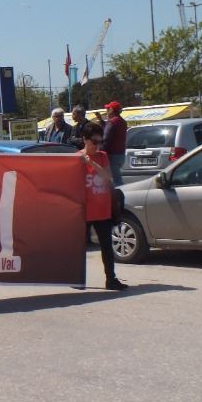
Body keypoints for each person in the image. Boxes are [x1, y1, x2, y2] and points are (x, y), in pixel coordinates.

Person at [79, 121, 127, 291]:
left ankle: (111, 279)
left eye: (100, 141)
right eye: (94, 141)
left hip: (102, 210)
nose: (97, 145)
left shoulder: (102, 156)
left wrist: (91, 163)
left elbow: (108, 177)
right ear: (85, 139)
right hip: (84, 211)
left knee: (106, 247)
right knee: (79, 249)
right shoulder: (76, 158)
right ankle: (77, 279)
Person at [101, 101, 128, 186]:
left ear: (112, 110)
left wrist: (100, 151)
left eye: (108, 109)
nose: (106, 111)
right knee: (116, 178)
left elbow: (106, 139)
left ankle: (119, 193)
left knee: (116, 181)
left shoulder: (112, 122)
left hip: (112, 155)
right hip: (121, 154)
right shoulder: (123, 122)